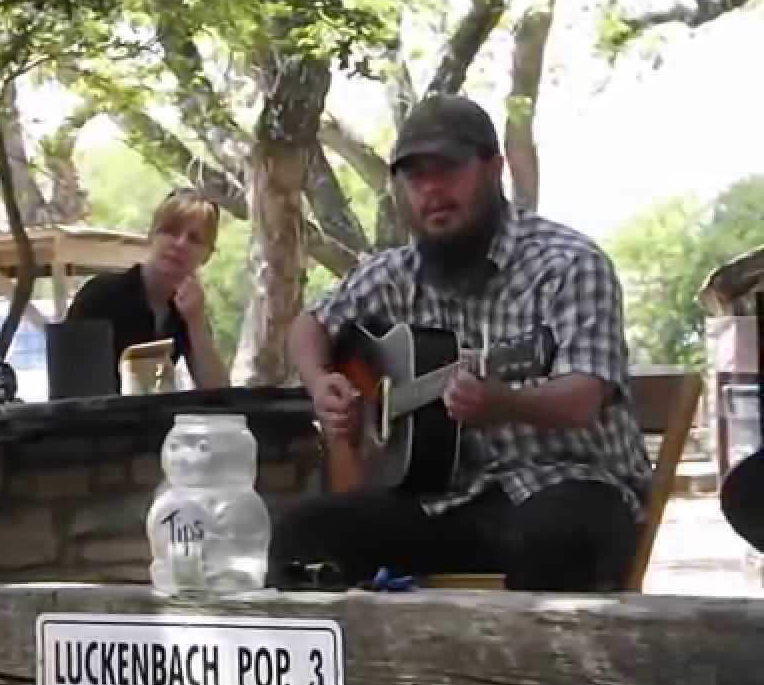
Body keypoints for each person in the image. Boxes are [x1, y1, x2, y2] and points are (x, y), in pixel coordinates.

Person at [270, 94, 651, 592]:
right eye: (415, 176)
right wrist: (323, 383)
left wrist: (506, 402)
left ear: (493, 169)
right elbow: (310, 326)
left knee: (559, 533)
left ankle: (526, 673)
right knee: (303, 534)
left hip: (569, 485)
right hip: (446, 500)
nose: (431, 191)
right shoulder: (393, 273)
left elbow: (582, 398)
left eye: (447, 170)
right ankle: (369, 671)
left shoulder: (568, 265)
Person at [65, 188, 229, 390]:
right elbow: (71, 387)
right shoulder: (100, 295)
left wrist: (196, 322)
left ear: (207, 255)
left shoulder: (187, 309)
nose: (180, 244)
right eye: (171, 231)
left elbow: (217, 391)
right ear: (152, 235)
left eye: (194, 239)